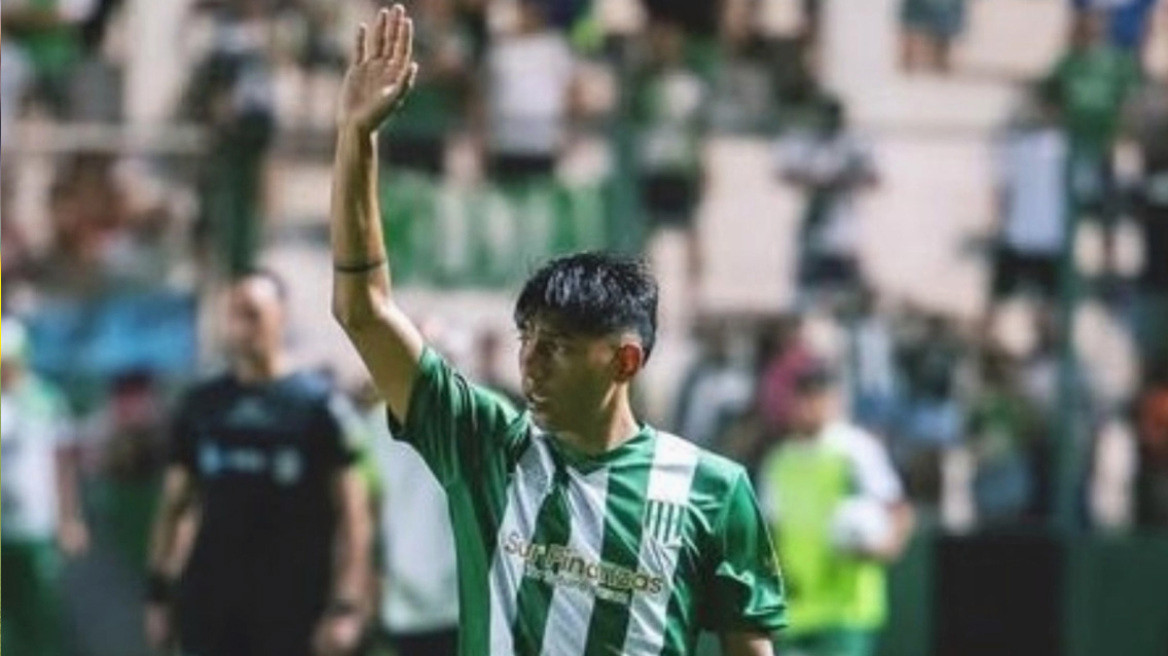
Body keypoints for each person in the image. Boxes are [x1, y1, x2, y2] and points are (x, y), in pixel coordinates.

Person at [329, 7, 787, 656]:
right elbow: (364, 310)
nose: (531, 361)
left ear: (624, 361)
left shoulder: (712, 491)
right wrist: (357, 138)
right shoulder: (487, 447)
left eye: (559, 347)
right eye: (527, 339)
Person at [144, 270, 373, 656]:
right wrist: (158, 594)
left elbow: (354, 513)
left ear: (280, 316)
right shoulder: (202, 405)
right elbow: (174, 506)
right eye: (233, 313)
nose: (241, 326)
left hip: (295, 608)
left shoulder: (318, 407)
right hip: (212, 607)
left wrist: (346, 605)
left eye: (252, 313)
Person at [758, 366, 914, 656]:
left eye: (819, 397)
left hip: (847, 611)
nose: (810, 408)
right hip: (796, 610)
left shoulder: (856, 450)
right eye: (804, 399)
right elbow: (770, 533)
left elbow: (898, 509)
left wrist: (885, 546)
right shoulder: (778, 461)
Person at [1, 317, 90, 656]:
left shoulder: (46, 399)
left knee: (40, 613)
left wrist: (70, 517)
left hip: (36, 527)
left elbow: (63, 465)